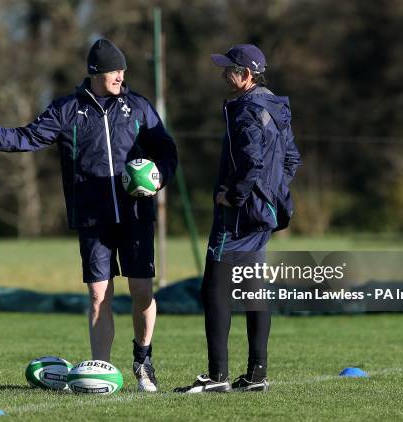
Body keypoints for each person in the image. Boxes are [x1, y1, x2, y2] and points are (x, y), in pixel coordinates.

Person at [0, 39, 177, 393]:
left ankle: (143, 360)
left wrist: (159, 176)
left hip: (135, 215)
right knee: (99, 296)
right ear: (96, 72)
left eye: (123, 70)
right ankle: (103, 373)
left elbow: (166, 150)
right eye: (115, 70)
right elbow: (24, 138)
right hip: (91, 217)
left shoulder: (138, 107)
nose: (121, 76)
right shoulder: (67, 110)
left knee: (142, 291)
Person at [175, 44, 301, 393]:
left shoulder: (247, 111)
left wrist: (234, 195)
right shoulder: (275, 108)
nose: (222, 74)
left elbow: (252, 161)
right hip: (265, 213)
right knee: (253, 288)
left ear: (246, 75)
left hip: (239, 215)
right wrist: (271, 193)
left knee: (214, 288)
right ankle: (256, 375)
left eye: (229, 69)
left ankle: (217, 377)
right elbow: (292, 159)